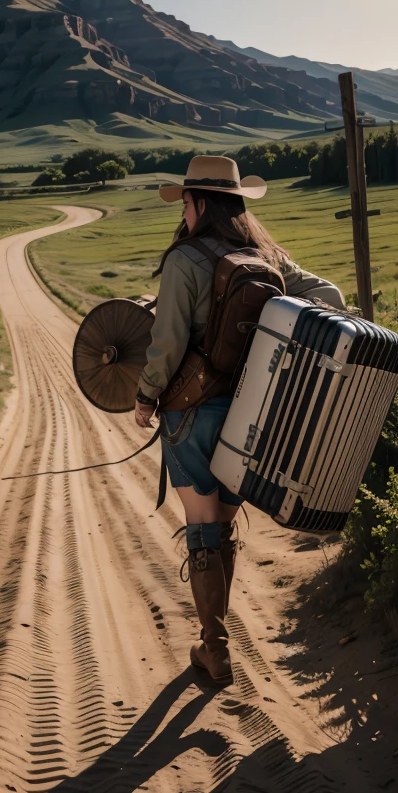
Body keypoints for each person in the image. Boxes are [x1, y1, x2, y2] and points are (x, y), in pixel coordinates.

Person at [134, 155, 345, 685]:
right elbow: (330, 298)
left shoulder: (185, 258)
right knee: (223, 529)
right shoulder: (265, 254)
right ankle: (217, 643)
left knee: (201, 529)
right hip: (249, 410)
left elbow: (168, 343)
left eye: (184, 202)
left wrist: (144, 396)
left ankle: (215, 649)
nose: (181, 212)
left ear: (201, 203)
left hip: (190, 410)